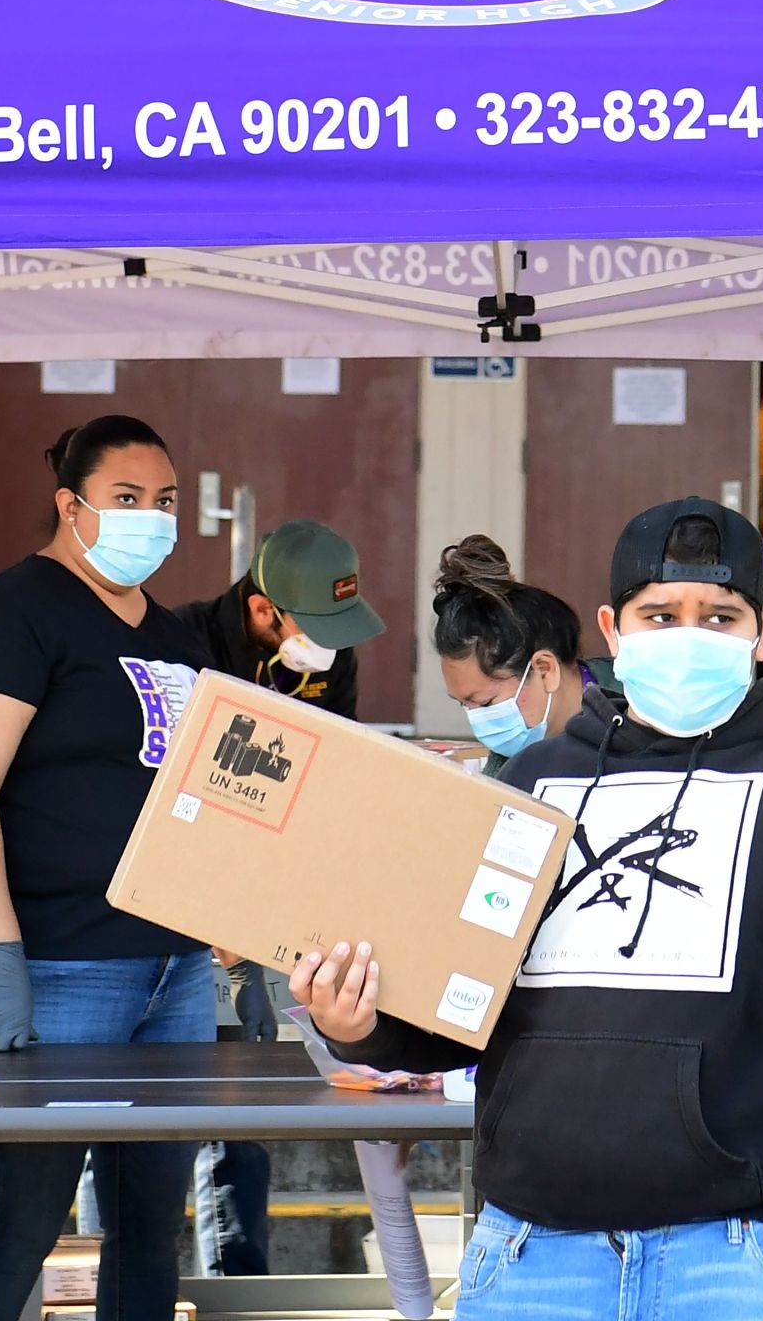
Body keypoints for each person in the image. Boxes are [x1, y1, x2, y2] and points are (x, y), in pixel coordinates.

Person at [294, 496, 763, 1318]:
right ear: (614, 626)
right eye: (659, 614)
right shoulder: (532, 786)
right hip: (534, 1258)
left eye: (720, 616)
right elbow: (461, 999)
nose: (688, 636)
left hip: (740, 1263)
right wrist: (362, 1025)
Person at [0, 414, 215, 1321]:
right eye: (126, 499)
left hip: (174, 971)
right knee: (23, 1221)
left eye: (164, 502)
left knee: (148, 1224)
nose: (150, 519)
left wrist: (233, 942)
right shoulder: (9, 613)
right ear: (71, 503)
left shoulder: (177, 637)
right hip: (53, 966)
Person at [151, 518, 384, 1275]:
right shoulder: (178, 645)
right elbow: (170, 799)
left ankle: (237, 1286)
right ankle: (114, 1288)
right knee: (129, 1126)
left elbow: (331, 776)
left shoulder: (328, 659)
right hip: (159, 916)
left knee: (239, 1107)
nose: (330, 645)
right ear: (262, 609)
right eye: (314, 627)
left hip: (256, 918)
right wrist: (213, 919)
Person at [179, 517, 385, 718]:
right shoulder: (183, 642)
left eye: (334, 621)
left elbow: (343, 739)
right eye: (314, 625)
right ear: (262, 610)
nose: (327, 640)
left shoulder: (335, 643)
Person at [429, 533, 597, 776]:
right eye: (466, 706)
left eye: (486, 703)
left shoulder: (638, 718)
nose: (479, 724)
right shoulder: (505, 769)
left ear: (544, 670)